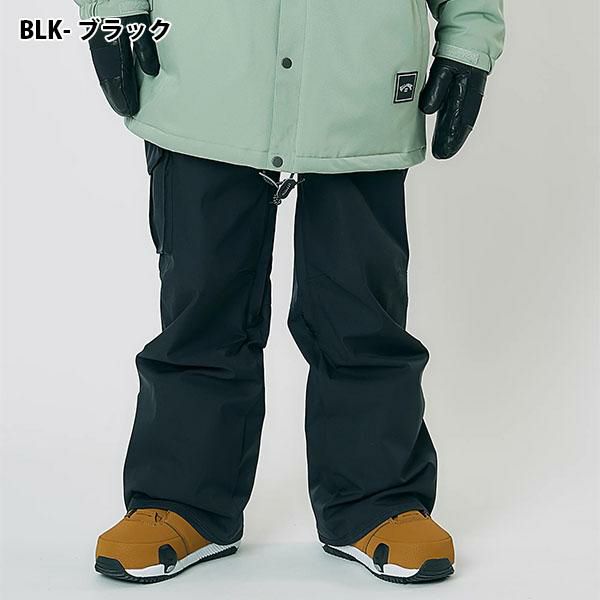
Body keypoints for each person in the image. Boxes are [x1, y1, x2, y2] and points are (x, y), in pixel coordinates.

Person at [75, 0, 504, 585]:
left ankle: (377, 500)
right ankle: (180, 500)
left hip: (358, 81)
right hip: (205, 76)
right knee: (201, 305)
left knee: (362, 309)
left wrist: (469, 39)